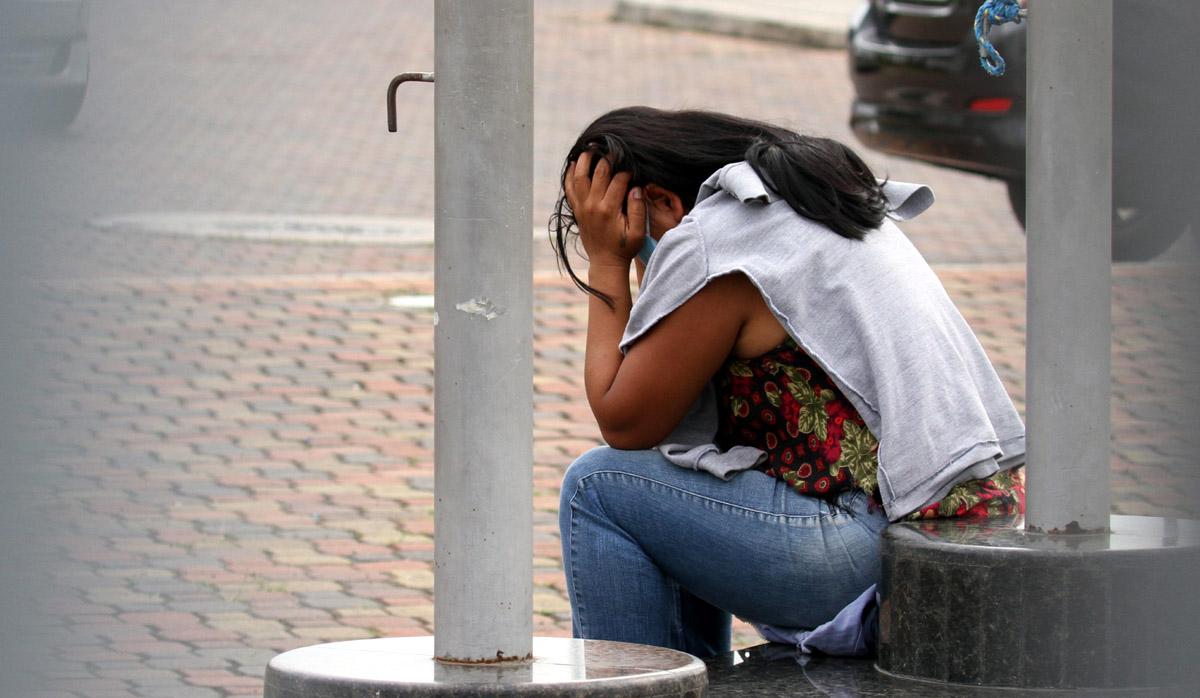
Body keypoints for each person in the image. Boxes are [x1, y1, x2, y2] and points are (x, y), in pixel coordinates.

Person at [551, 107, 1025, 658]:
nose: (633, 242)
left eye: (626, 226)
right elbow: (665, 407)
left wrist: (608, 261)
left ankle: (640, 690)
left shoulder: (720, 241)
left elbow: (625, 421)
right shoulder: (803, 206)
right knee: (672, 478)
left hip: (879, 546)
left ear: (661, 201)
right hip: (957, 527)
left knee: (598, 487)